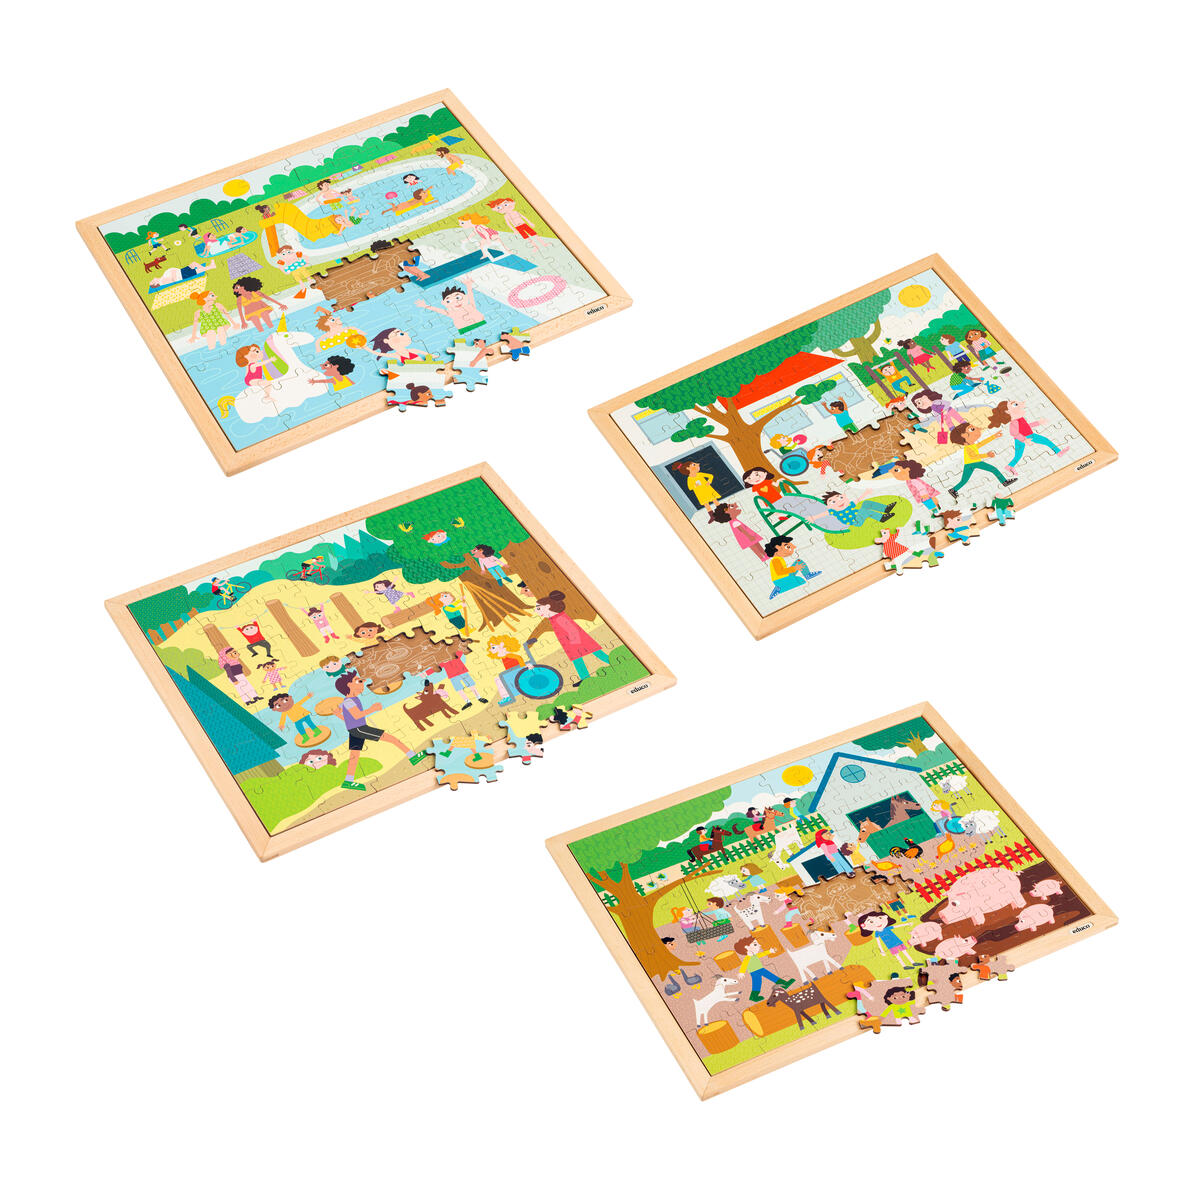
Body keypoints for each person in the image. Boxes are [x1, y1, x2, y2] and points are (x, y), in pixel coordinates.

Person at [335, 673, 419, 791]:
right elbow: (357, 715)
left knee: (354, 755)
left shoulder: (350, 700)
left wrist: (338, 715)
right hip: (359, 728)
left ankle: (348, 781)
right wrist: (372, 709)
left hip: (354, 729)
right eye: (359, 681)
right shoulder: (349, 701)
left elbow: (349, 719)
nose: (363, 682)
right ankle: (412, 756)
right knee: (392, 739)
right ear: (349, 685)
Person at [528, 590, 610, 685]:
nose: (536, 611)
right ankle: (585, 678)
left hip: (577, 642)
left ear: (547, 606)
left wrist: (574, 644)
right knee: (578, 659)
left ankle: (611, 662)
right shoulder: (554, 618)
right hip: (571, 643)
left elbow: (572, 630)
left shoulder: (559, 618)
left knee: (595, 652)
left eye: (538, 608)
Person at [947, 423, 1018, 498]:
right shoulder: (968, 448)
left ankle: (953, 490)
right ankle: (1004, 482)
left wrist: (994, 436)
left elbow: (981, 443)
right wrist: (986, 455)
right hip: (974, 463)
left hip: (969, 464)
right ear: (964, 435)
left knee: (964, 480)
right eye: (972, 429)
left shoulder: (971, 445)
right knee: (993, 469)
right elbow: (973, 456)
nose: (978, 429)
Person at [989, 398, 1066, 467]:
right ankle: (1009, 467)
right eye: (1015, 405)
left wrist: (1038, 422)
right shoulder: (1014, 422)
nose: (1019, 405)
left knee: (1046, 441)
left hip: (1030, 435)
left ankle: (1059, 452)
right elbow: (1014, 433)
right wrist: (1024, 439)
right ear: (1007, 411)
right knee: (1018, 455)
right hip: (1021, 439)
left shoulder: (1020, 419)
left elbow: (1026, 426)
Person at [734, 937, 795, 1004]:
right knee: (757, 983)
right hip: (754, 972)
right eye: (755, 944)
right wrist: (741, 972)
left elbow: (761, 954)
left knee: (770, 977)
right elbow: (744, 964)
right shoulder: (747, 958)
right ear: (747, 947)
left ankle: (784, 984)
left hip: (760, 969)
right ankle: (753, 996)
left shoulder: (754, 955)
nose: (759, 945)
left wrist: (770, 951)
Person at [415, 281, 487, 334]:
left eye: (458, 297)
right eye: (449, 301)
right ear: (444, 303)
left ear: (465, 297)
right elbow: (438, 310)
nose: (456, 302)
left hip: (481, 324)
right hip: (465, 330)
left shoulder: (470, 306)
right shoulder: (451, 312)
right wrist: (425, 306)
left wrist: (468, 285)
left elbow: (471, 296)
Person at [427, 645, 486, 710]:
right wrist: (426, 673)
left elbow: (461, 650)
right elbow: (436, 668)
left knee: (471, 685)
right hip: (452, 676)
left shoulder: (454, 653)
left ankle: (479, 697)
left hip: (462, 672)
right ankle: (468, 702)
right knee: (459, 689)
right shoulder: (441, 660)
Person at [821, 490, 897, 528]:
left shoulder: (849, 505)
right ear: (829, 507)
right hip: (855, 522)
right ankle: (882, 518)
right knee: (865, 511)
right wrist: (814, 517)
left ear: (844, 496)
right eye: (833, 502)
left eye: (840, 498)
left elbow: (858, 500)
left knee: (866, 503)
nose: (839, 502)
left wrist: (866, 493)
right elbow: (823, 514)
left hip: (859, 515)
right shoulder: (833, 511)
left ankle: (885, 509)